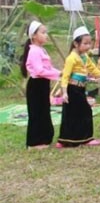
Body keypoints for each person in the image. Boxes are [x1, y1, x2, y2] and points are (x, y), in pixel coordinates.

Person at [57, 26, 100, 148]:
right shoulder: (71, 58)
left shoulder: (84, 56)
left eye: (90, 43)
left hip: (80, 88)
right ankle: (83, 138)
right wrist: (64, 92)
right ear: (76, 44)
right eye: (85, 43)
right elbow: (65, 76)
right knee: (81, 112)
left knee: (74, 113)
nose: (88, 46)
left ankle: (66, 140)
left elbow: (93, 70)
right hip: (72, 89)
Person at [21, 21, 61, 150]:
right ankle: (34, 142)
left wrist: (60, 73)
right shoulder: (34, 51)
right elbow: (39, 71)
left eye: (45, 32)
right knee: (36, 112)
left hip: (43, 84)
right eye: (43, 33)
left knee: (44, 111)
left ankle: (44, 139)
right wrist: (57, 74)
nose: (46, 35)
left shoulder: (41, 50)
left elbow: (48, 68)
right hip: (36, 85)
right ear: (33, 36)